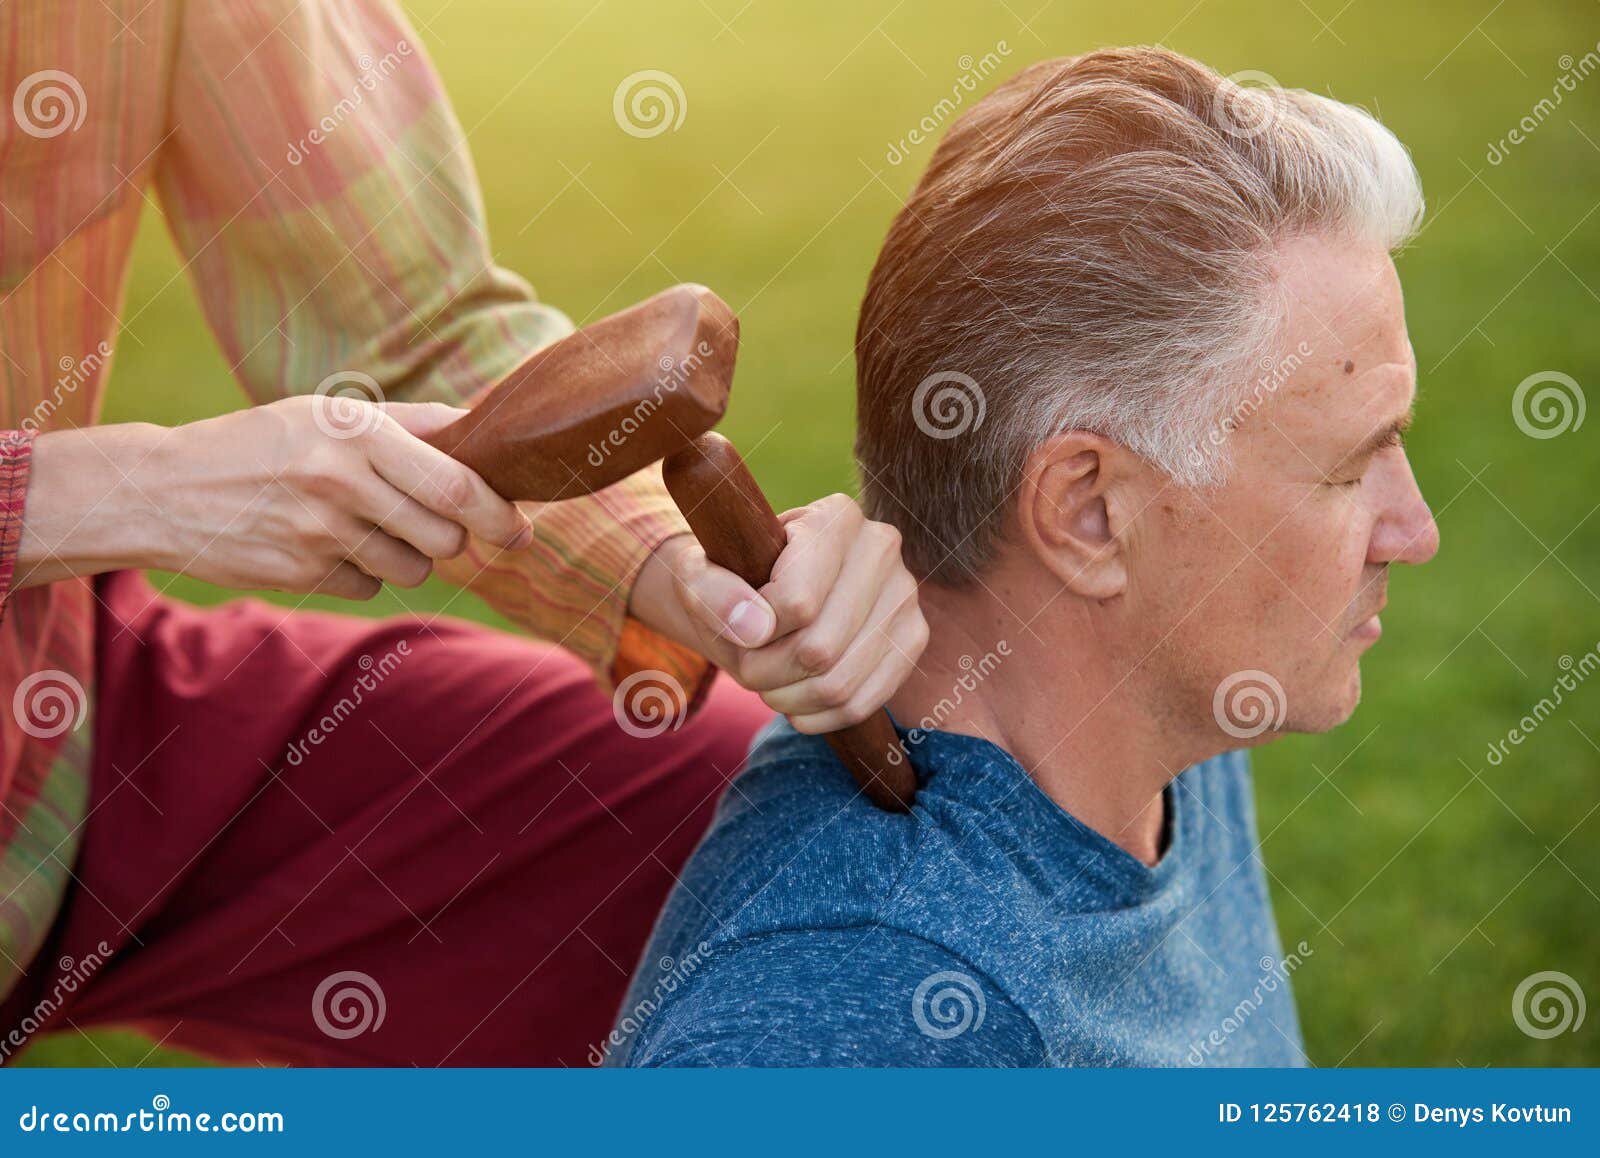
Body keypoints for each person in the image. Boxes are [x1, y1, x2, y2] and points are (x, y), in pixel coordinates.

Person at [0, 1, 924, 1066]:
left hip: (58, 727)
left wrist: (687, 578)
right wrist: (97, 490)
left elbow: (410, 328)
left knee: (723, 816)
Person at [605, 46, 1441, 1067]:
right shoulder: (863, 1019)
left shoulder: (1166, 726)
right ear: (1090, 514)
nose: (1415, 530)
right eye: (1350, 468)